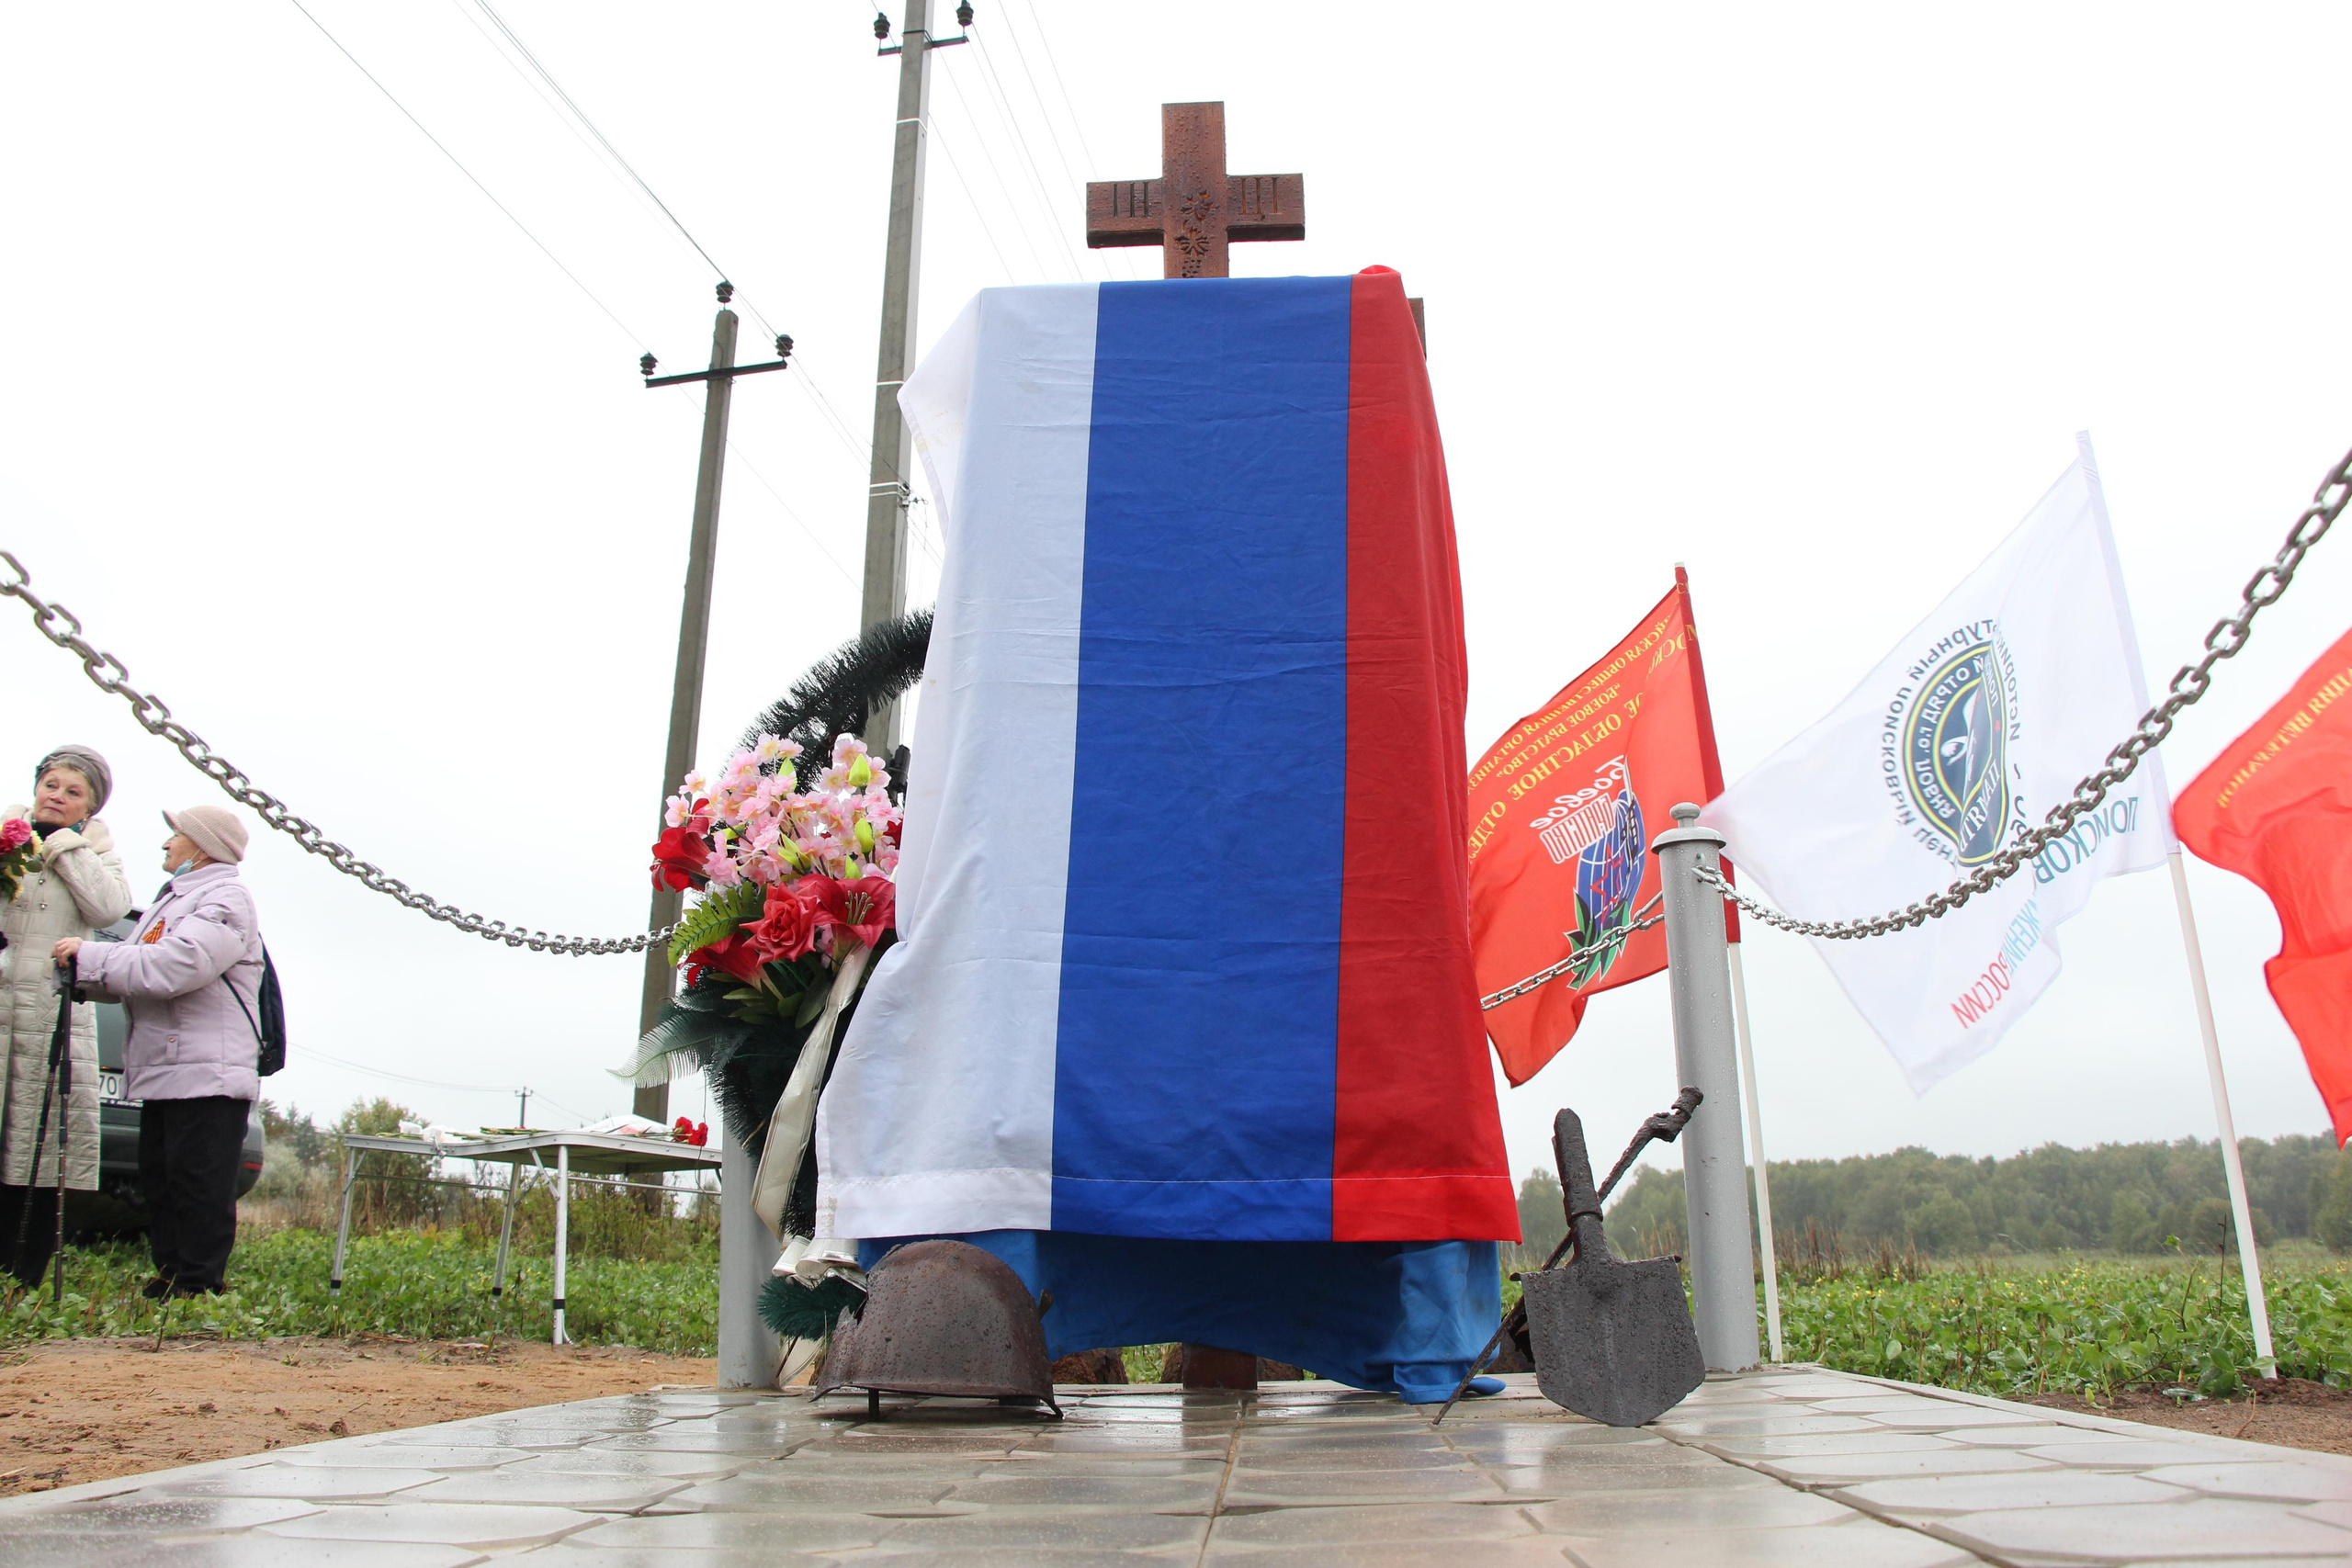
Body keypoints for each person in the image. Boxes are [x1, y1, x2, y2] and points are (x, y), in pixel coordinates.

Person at [55, 805, 260, 1298]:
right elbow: (138, 968)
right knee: (163, 1180)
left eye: (177, 835)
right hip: (170, 1066)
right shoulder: (172, 901)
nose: (166, 844)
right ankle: (172, 1274)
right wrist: (85, 972)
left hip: (207, 1071)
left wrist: (91, 956)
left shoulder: (226, 898)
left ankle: (199, 1282)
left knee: (198, 1183)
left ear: (204, 846)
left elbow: (174, 966)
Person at [1, 747, 133, 1292]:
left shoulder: (96, 851)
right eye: (50, 784)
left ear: (89, 808)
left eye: (71, 791)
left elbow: (107, 909)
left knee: (32, 1149)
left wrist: (63, 844)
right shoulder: (5, 834)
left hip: (47, 1014)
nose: (55, 795)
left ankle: (20, 1276)